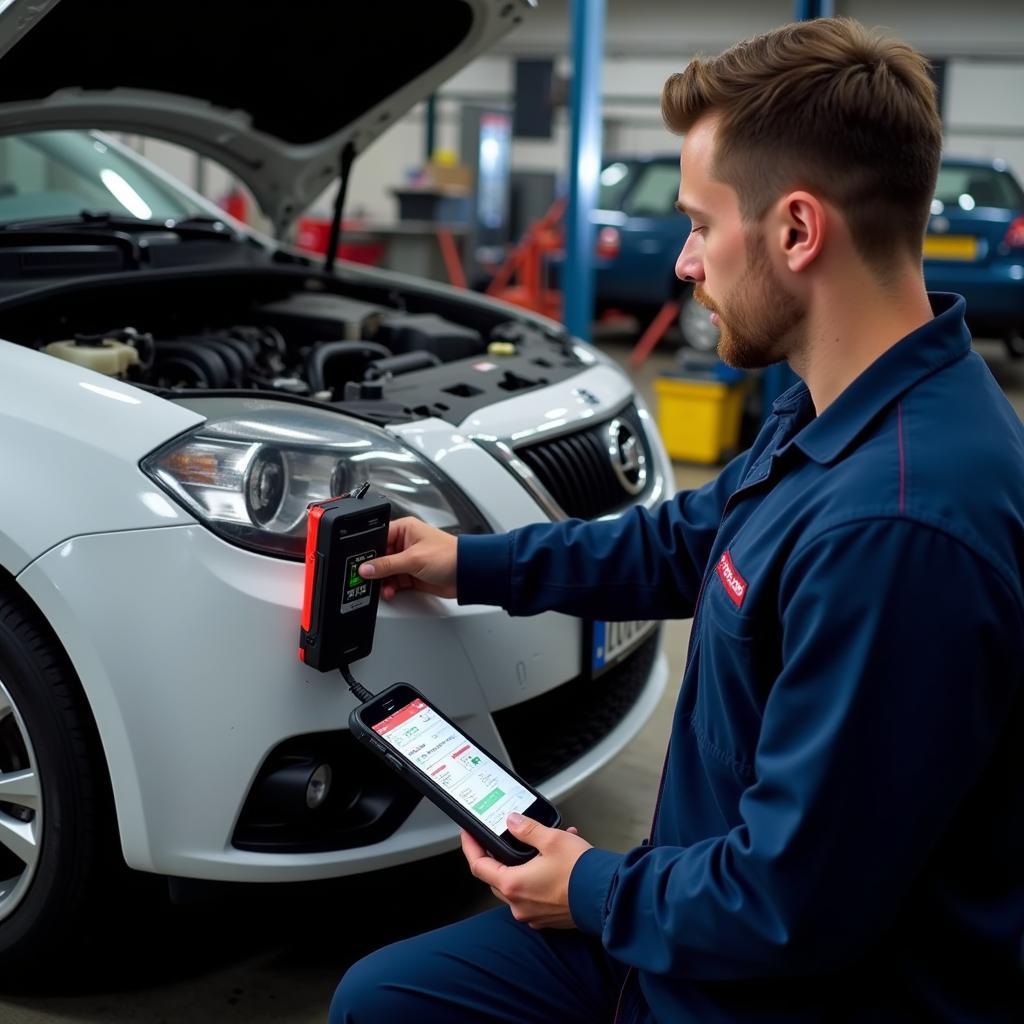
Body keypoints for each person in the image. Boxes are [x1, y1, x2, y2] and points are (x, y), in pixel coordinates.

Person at [330, 17, 1024, 1023]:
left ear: (795, 230)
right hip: (689, 910)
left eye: (700, 223)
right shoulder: (837, 398)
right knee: (383, 996)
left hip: (769, 987)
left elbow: (793, 906)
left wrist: (588, 887)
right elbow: (686, 541)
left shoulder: (899, 531)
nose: (685, 263)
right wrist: (464, 562)